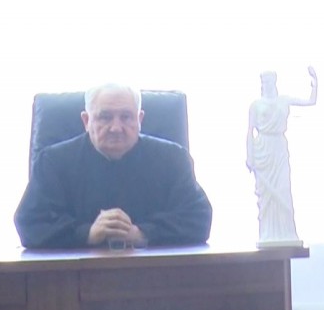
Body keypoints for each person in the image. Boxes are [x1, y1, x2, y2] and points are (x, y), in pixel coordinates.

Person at [14, 83, 213, 249]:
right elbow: (30, 224)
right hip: (76, 276)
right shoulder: (53, 161)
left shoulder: (173, 159)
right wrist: (87, 233)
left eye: (126, 117)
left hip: (156, 275)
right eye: (105, 117)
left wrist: (142, 233)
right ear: (86, 120)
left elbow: (199, 219)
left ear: (140, 119)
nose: (116, 128)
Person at [246, 66, 318, 244]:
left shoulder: (284, 100)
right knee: (266, 194)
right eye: (265, 81)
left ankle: (286, 231)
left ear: (274, 82)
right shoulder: (256, 105)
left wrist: (315, 83)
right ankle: (268, 233)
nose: (267, 84)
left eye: (270, 81)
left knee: (283, 189)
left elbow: (310, 101)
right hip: (263, 149)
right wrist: (250, 156)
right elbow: (250, 131)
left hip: (279, 147)